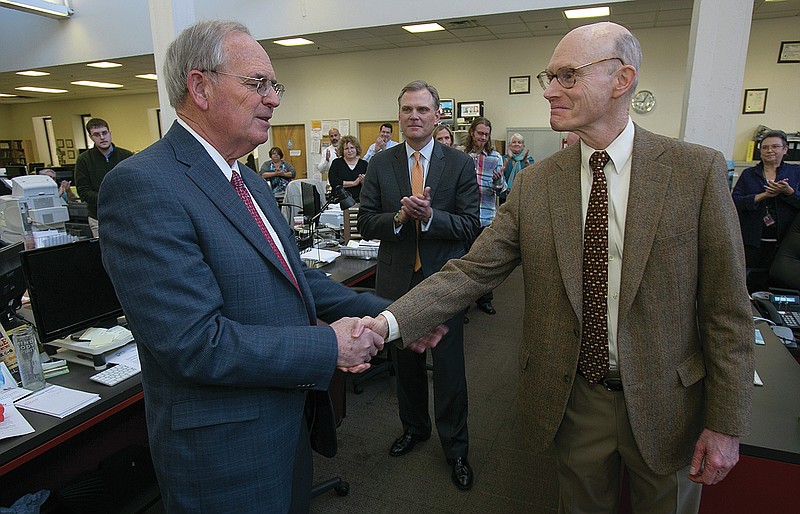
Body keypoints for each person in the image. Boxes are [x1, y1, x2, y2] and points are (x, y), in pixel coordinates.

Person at [368, 22, 754, 513]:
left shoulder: (695, 172)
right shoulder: (536, 185)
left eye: (567, 76)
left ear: (622, 79)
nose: (549, 90)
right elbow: (470, 272)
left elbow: (727, 311)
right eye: (548, 76)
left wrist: (726, 421)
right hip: (577, 398)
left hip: (667, 403)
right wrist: (386, 324)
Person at [97, 20, 442, 514]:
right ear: (200, 87)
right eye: (258, 83)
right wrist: (331, 344)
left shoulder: (251, 183)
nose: (274, 99)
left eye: (274, 85)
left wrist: (396, 317)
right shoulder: (143, 185)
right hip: (223, 453)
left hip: (286, 423)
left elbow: (299, 284)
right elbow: (196, 343)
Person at [358, 80, 479, 491]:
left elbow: (469, 225)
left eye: (422, 110)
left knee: (448, 371)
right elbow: (366, 221)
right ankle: (414, 429)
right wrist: (399, 218)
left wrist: (428, 217)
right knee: (404, 366)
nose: (414, 116)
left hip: (442, 285)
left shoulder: (459, 164)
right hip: (395, 283)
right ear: (399, 115)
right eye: (407, 109)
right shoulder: (380, 163)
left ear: (436, 115)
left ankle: (456, 449)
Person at [732, 129, 800, 292]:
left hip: (785, 243)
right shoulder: (749, 174)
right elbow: (735, 202)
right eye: (765, 147)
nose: (769, 151)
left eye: (775, 146)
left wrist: (788, 192)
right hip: (753, 240)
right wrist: (763, 195)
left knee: (780, 281)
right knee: (751, 281)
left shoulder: (796, 172)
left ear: (785, 150)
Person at [463, 117, 507, 315]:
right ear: (472, 132)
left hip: (486, 216)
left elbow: (502, 190)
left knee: (484, 261)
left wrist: (498, 182)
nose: (482, 137)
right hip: (464, 217)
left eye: (486, 135)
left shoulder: (495, 158)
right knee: (463, 261)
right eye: (479, 133)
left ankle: (484, 299)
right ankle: (461, 303)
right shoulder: (461, 156)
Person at [74, 118, 133, 237]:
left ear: (110, 133)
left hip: (125, 216)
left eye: (104, 133)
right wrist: (109, 199)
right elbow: (84, 192)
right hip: (98, 218)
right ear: (91, 137)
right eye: (96, 134)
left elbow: (133, 185)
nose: (102, 137)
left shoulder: (126, 156)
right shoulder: (84, 160)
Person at [328, 135, 367, 203]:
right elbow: (334, 182)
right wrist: (354, 183)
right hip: (339, 202)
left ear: (356, 149)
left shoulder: (364, 164)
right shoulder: (336, 163)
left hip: (359, 202)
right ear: (342, 151)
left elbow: (370, 185)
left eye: (352, 148)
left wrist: (363, 182)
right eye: (346, 149)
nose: (350, 151)